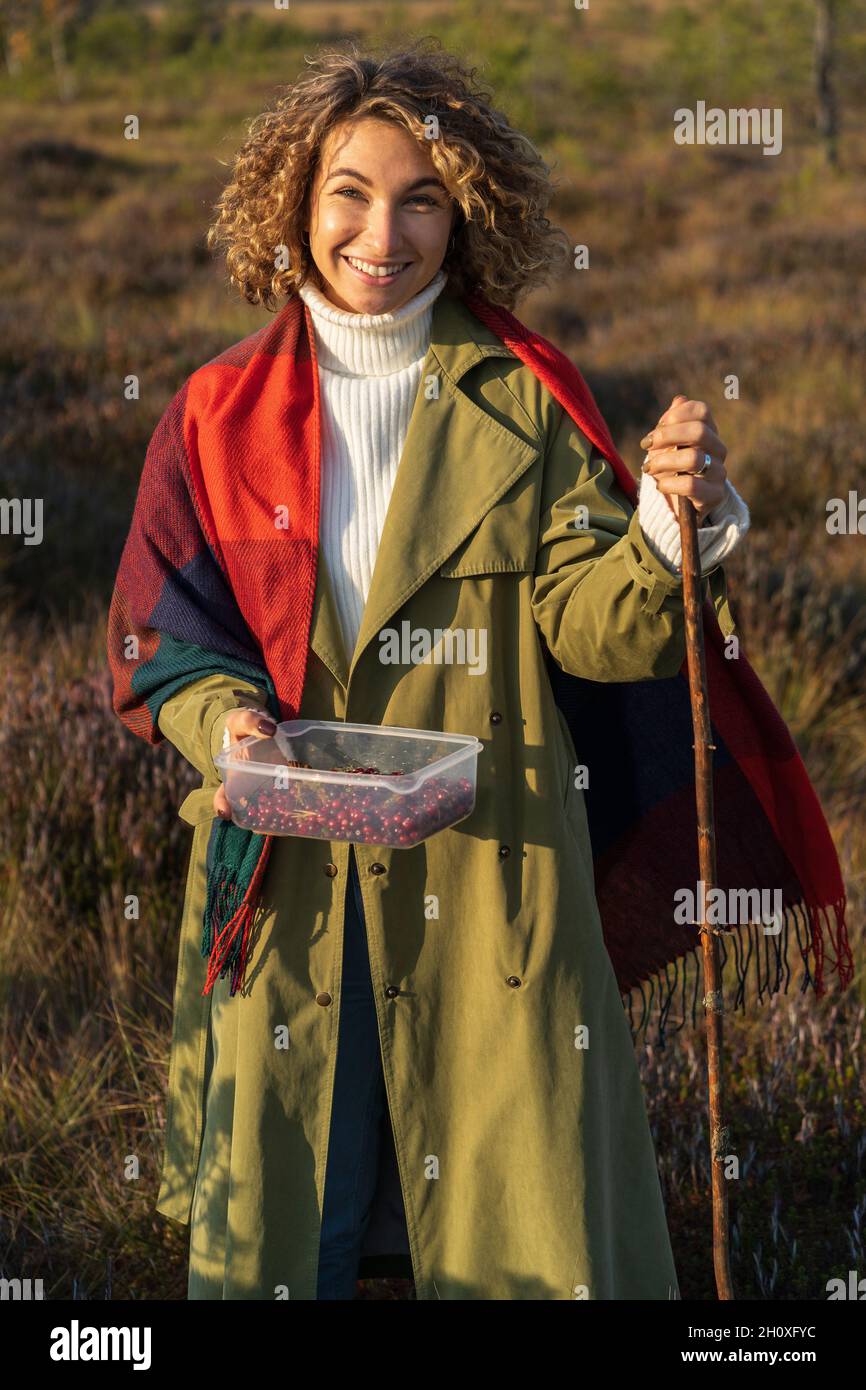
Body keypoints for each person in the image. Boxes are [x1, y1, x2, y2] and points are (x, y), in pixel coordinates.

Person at [108, 39, 750, 1300]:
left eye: (419, 199)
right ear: (295, 200)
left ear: (466, 214)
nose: (380, 233)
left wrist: (672, 531)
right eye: (348, 191)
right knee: (300, 1236)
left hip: (493, 879)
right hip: (289, 885)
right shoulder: (214, 411)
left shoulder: (524, 399)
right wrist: (228, 722)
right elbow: (159, 639)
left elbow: (596, 630)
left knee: (511, 1235)